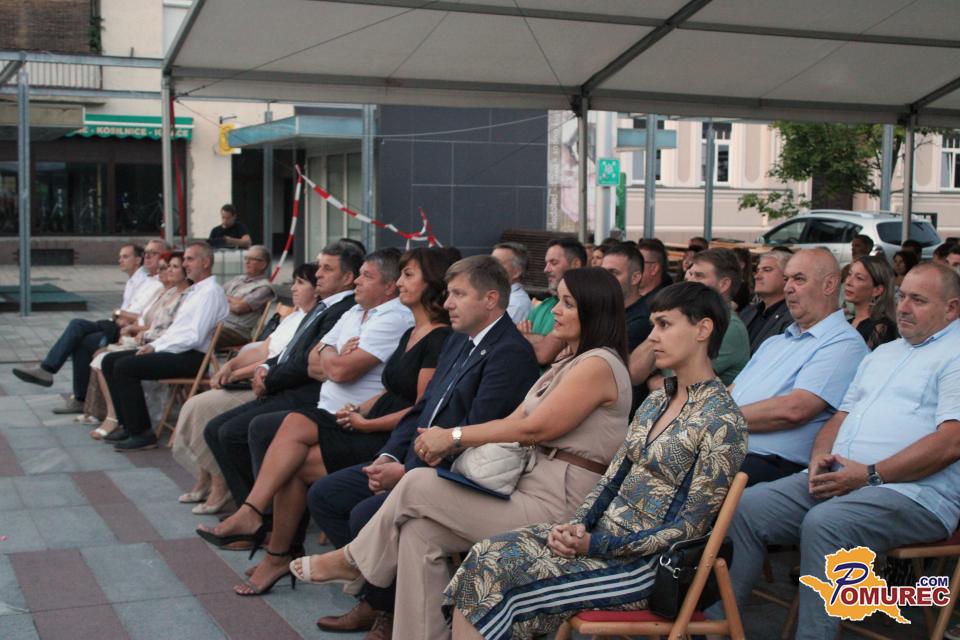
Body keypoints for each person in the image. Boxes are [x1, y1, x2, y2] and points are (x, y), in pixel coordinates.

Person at [293, 267, 634, 640]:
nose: (555, 310)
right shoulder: (569, 362)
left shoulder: (598, 364)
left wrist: (453, 437)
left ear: (594, 310)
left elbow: (534, 429)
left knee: (417, 483)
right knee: (419, 531)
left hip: (561, 507)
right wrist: (445, 438)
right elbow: (515, 419)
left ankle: (354, 560)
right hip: (528, 490)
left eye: (567, 303)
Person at [446, 281, 748, 640]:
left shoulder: (722, 420)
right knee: (485, 553)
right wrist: (578, 527)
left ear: (703, 329)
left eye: (665, 324)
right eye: (653, 324)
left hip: (646, 567)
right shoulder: (656, 401)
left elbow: (689, 528)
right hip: (601, 543)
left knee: (496, 572)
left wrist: (595, 545)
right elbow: (612, 479)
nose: (652, 336)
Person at [713, 262, 960, 640]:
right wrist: (819, 458)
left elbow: (951, 442)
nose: (904, 307)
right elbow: (840, 417)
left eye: (918, 300)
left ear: (952, 308)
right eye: (902, 296)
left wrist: (871, 474)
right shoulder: (883, 354)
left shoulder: (955, 354)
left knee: (826, 522)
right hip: (844, 479)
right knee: (744, 507)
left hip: (912, 493)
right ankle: (716, 628)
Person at [201, 248, 455, 596]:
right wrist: (360, 408)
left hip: (388, 436)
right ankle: (273, 547)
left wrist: (365, 421)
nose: (399, 282)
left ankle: (258, 520)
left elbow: (419, 408)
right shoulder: (411, 331)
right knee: (290, 444)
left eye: (407, 275)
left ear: (431, 285)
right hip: (367, 419)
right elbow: (343, 370)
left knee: (291, 431)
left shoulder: (435, 337)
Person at [307, 256, 539, 636]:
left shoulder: (509, 353)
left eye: (459, 294)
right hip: (414, 460)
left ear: (490, 299)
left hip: (454, 477)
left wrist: (407, 472)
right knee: (326, 495)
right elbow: (422, 409)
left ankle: (383, 608)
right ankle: (378, 597)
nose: (447, 303)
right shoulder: (459, 340)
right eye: (448, 294)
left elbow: (477, 432)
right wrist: (388, 456)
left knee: (365, 514)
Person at [199, 241, 361, 510]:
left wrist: (269, 377)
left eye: (327, 269)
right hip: (283, 384)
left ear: (347, 278)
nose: (318, 274)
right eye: (319, 267)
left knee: (231, 432)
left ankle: (259, 513)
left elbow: (309, 363)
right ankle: (250, 509)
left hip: (305, 393)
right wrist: (265, 368)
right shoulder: (324, 306)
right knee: (215, 429)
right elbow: (292, 352)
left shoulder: (342, 309)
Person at [173, 262, 319, 514]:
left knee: (202, 408)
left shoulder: (312, 321)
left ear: (317, 290)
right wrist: (230, 366)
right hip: (258, 376)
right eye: (294, 282)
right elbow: (263, 349)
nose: (293, 288)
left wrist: (236, 373)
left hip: (268, 383)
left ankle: (222, 484)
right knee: (197, 405)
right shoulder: (294, 316)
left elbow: (279, 362)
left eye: (300, 283)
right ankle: (208, 476)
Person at [731, 248, 869, 486]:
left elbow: (795, 410)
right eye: (786, 279)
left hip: (769, 464)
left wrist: (717, 419)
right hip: (727, 451)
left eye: (799, 279)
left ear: (829, 285)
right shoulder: (775, 343)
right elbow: (731, 392)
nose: (787, 287)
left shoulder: (844, 343)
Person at [100, 242, 228, 452]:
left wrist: (156, 348)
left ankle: (142, 434)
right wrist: (155, 344)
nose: (185, 264)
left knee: (124, 367)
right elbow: (175, 330)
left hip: (191, 357)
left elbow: (194, 337)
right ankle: (128, 425)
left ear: (205, 263)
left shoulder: (210, 293)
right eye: (185, 260)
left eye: (190, 259)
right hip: (176, 350)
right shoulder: (195, 291)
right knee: (109, 361)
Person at [13, 240, 166, 412]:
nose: (148, 256)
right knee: (78, 330)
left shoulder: (158, 283)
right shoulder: (143, 281)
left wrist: (120, 315)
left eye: (154, 253)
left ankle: (53, 375)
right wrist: (120, 315)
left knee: (81, 334)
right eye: (146, 253)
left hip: (129, 331)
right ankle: (66, 386)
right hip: (119, 325)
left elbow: (144, 318)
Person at [88, 252, 190, 440]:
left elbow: (176, 332)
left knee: (120, 364)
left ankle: (140, 431)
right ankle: (124, 422)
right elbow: (152, 322)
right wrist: (140, 333)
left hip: (172, 349)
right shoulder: (167, 292)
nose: (167, 271)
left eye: (173, 267)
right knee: (106, 358)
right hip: (152, 341)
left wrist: (145, 336)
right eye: (167, 267)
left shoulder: (187, 296)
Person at [680, 248, 750, 384]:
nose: (689, 281)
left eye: (699, 276)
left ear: (724, 284)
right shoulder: (691, 317)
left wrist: (653, 379)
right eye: (690, 274)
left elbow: (684, 380)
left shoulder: (730, 327)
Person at [601, 243, 652, 416]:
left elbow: (610, 370)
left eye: (613, 273)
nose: (605, 279)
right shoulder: (607, 310)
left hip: (621, 415)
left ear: (635, 277)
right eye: (603, 273)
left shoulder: (643, 320)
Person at [517, 237, 586, 366]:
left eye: (553, 263)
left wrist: (522, 335)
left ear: (576, 264)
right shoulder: (544, 305)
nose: (546, 269)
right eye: (546, 263)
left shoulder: (584, 305)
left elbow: (542, 354)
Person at [218, 245, 275, 346]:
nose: (247, 262)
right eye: (246, 258)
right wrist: (234, 300)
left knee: (202, 333)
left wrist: (224, 299)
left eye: (252, 259)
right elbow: (216, 294)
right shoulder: (239, 279)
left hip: (236, 331)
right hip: (220, 324)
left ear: (263, 264)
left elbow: (239, 308)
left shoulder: (264, 288)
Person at [739, 248, 793, 354]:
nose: (757, 276)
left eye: (767, 270)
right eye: (757, 270)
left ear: (786, 277)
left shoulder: (793, 318)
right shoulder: (748, 311)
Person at [844, 255, 898, 350]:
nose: (848, 282)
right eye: (849, 274)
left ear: (877, 290)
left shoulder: (881, 327)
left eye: (859, 278)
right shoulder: (845, 323)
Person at [491, 242, 532, 323]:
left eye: (497, 263)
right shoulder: (499, 297)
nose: (489, 268)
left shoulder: (515, 304)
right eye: (490, 262)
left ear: (517, 272)